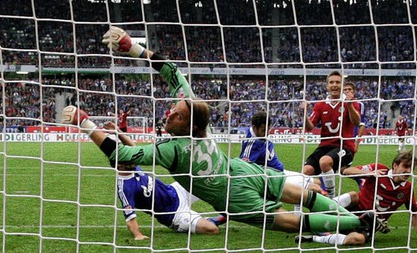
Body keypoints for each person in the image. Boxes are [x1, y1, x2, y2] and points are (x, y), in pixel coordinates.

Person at [61, 26, 372, 239]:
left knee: (287, 221)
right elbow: (172, 73)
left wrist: (85, 122)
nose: (170, 113)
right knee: (301, 194)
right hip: (239, 169)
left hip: (231, 195)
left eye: (176, 115)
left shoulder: (172, 149)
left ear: (188, 124)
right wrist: (134, 48)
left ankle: (357, 222)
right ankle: (360, 219)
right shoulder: (197, 115)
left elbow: (121, 154)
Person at [296, 149, 417, 246]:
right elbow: (345, 171)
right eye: (406, 166)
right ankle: (318, 211)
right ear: (395, 165)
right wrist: (370, 172)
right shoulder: (379, 169)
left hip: (367, 224)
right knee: (353, 195)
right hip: (352, 211)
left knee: (357, 240)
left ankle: (315, 238)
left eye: (411, 168)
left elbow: (414, 212)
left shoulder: (408, 188)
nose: (408, 171)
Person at [112, 124, 223, 239]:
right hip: (175, 214)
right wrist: (138, 235)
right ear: (120, 165)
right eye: (128, 158)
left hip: (176, 190)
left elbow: (133, 147)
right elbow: (130, 217)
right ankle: (215, 219)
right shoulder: (124, 187)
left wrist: (118, 132)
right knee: (212, 229)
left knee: (211, 181)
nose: (132, 159)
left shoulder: (134, 168)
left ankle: (231, 207)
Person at [302, 71, 361, 198]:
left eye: (338, 82)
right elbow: (309, 128)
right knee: (305, 172)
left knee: (324, 162)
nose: (334, 85)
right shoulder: (320, 105)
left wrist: (349, 105)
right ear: (327, 86)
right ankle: (299, 209)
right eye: (331, 82)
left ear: (342, 85)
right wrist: (304, 114)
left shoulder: (351, 102)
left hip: (344, 147)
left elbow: (357, 122)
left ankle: (331, 199)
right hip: (324, 147)